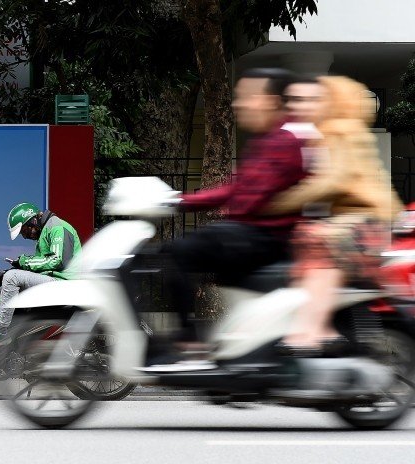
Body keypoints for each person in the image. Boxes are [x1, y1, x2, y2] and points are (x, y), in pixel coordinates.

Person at [155, 68, 308, 367]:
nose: (240, 104)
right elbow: (236, 190)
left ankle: (187, 340)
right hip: (252, 234)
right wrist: (180, 200)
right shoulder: (268, 140)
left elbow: (250, 196)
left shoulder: (283, 141)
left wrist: (186, 203)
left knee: (177, 252)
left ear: (273, 101)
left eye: (249, 97)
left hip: (260, 238)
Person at [265, 75, 402, 353]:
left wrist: (282, 201)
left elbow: (333, 180)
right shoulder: (341, 130)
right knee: (308, 246)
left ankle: (313, 330)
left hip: (362, 222)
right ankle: (323, 325)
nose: (306, 106)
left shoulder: (339, 129)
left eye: (320, 99)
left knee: (319, 246)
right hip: (363, 221)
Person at [0, 202, 81, 349]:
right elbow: (42, 266)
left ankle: (0, 331)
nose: (24, 236)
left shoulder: (57, 227)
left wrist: (24, 262)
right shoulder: (45, 232)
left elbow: (57, 261)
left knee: (12, 278)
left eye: (24, 231)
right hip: (56, 281)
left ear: (32, 221)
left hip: (65, 283)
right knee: (8, 279)